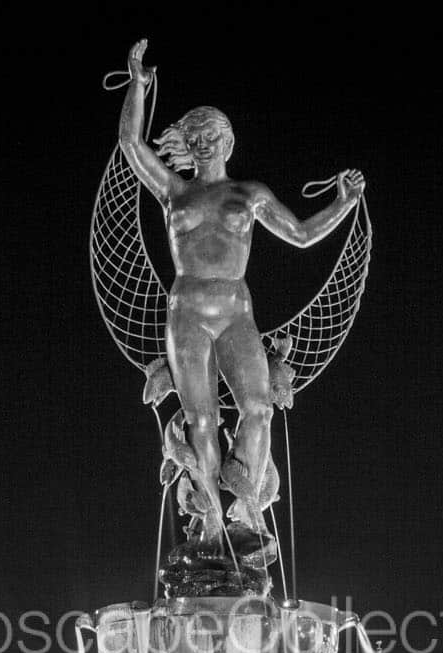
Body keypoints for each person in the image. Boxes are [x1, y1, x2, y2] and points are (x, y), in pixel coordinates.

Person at [119, 39, 364, 543]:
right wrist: (139, 87)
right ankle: (209, 516)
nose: (204, 143)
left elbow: (299, 234)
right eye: (195, 136)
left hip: (235, 312)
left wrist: (343, 204)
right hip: (187, 313)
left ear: (228, 142)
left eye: (212, 135)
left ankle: (246, 503)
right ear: (187, 144)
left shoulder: (249, 194)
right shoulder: (174, 190)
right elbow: (130, 145)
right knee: (200, 417)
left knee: (258, 407)